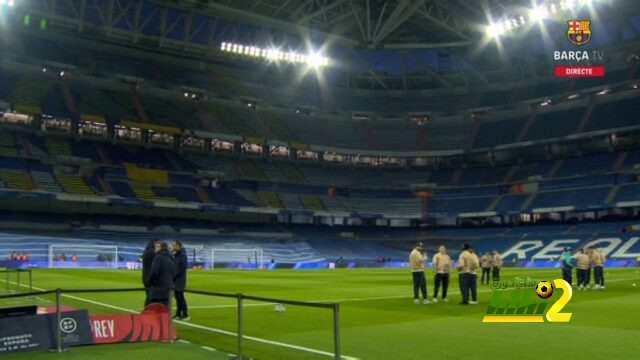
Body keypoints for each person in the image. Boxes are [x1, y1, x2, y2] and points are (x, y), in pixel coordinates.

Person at [145, 242, 173, 307]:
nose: (155, 248)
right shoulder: (170, 258)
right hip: (167, 288)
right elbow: (172, 272)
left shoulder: (158, 257)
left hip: (157, 288)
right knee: (165, 308)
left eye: (157, 247)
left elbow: (154, 272)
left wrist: (149, 281)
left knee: (155, 308)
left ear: (161, 248)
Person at [172, 240, 189, 320]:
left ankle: (185, 314)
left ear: (178, 246)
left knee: (180, 297)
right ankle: (178, 314)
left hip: (180, 279)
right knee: (177, 297)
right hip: (175, 279)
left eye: (174, 245)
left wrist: (175, 275)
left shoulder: (182, 255)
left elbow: (183, 267)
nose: (173, 247)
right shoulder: (176, 255)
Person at [142, 239, 159, 307]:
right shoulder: (153, 252)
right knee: (151, 296)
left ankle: (147, 310)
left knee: (149, 295)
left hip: (145, 276)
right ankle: (148, 311)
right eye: (157, 244)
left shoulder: (146, 251)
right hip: (151, 277)